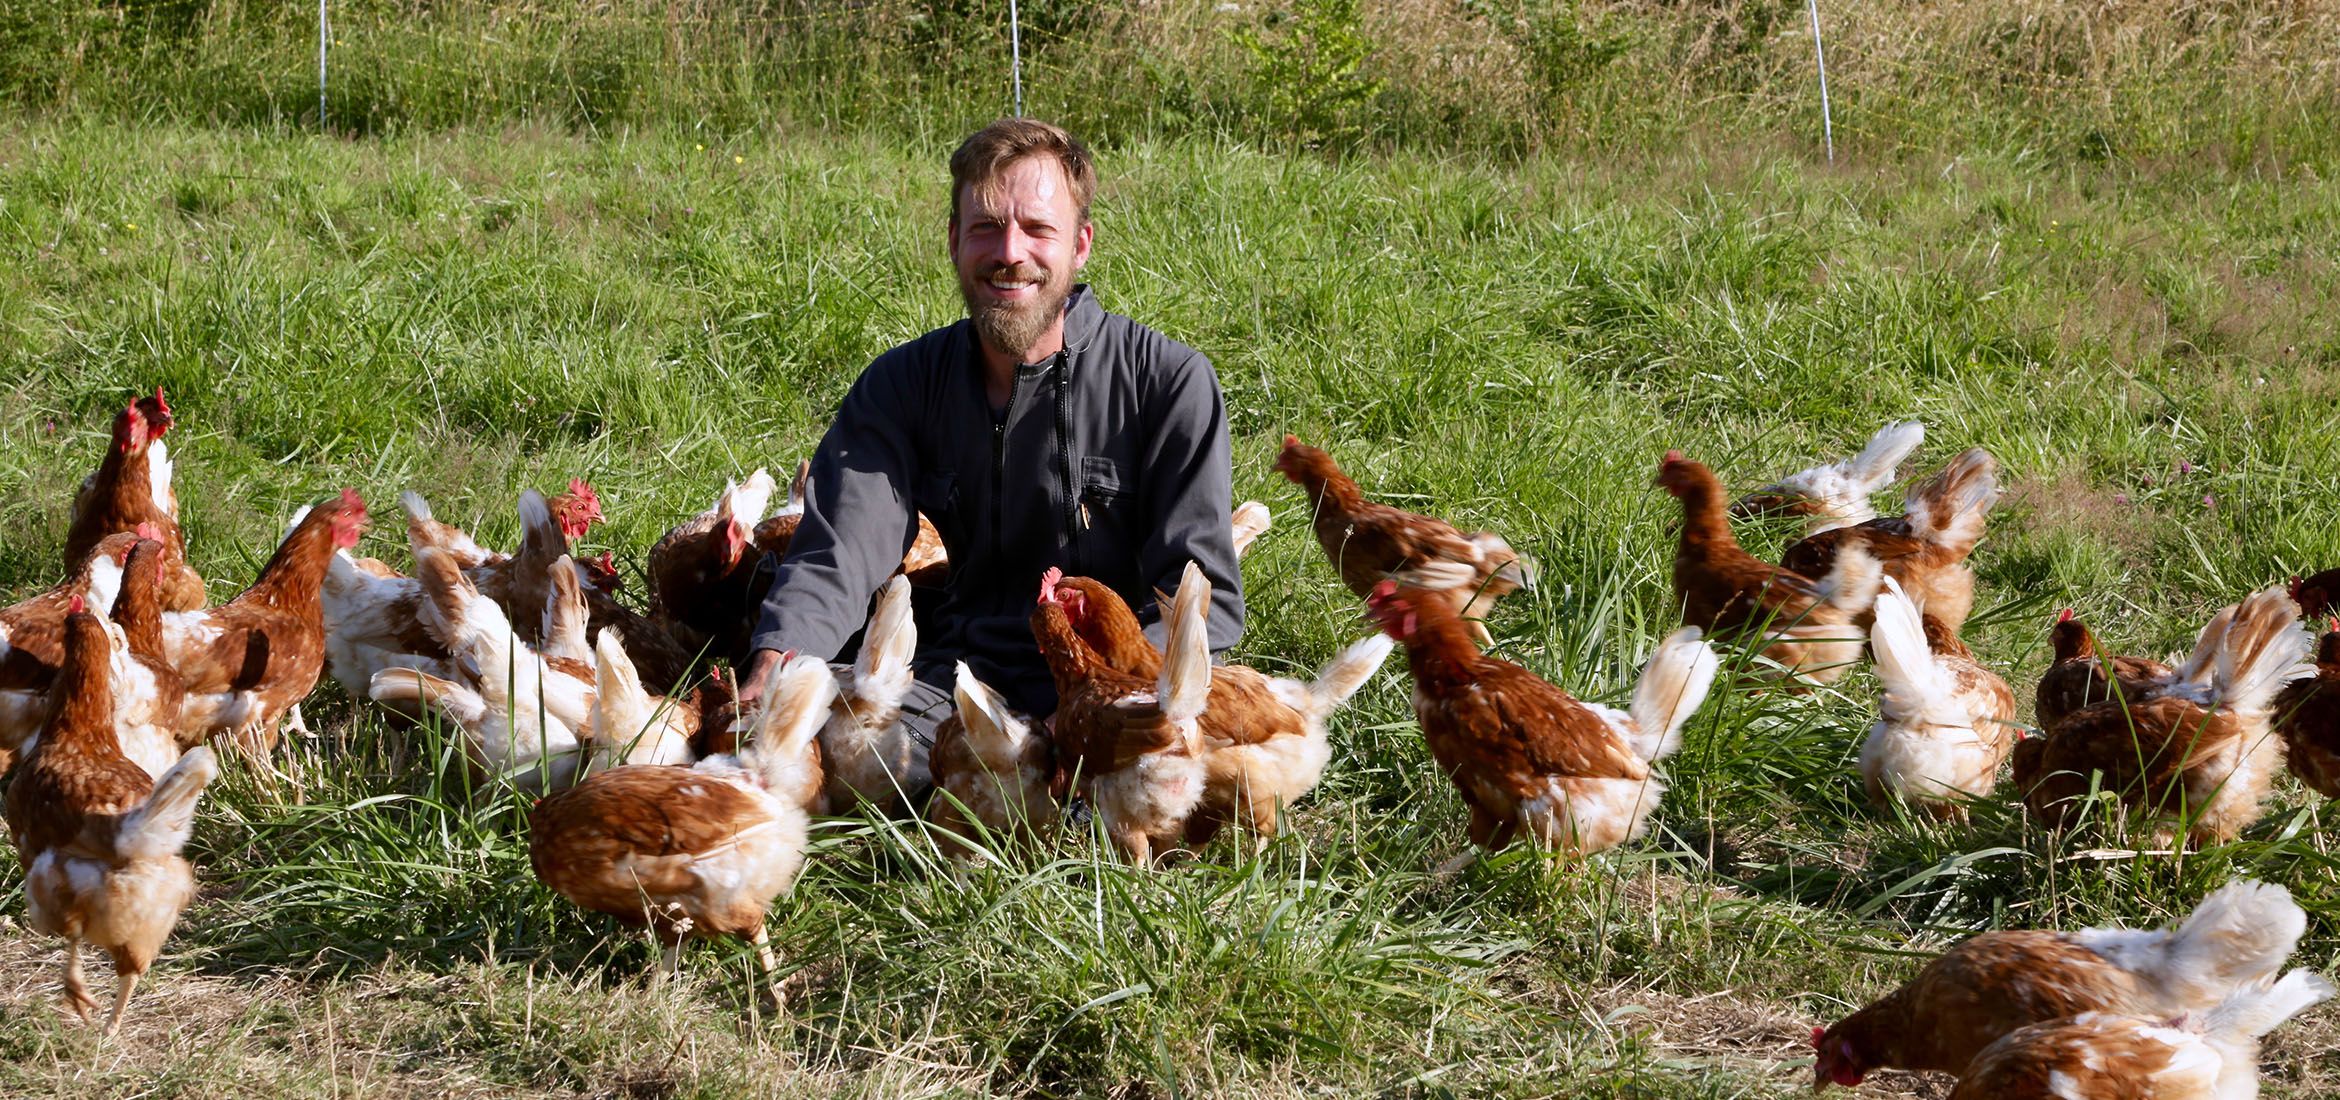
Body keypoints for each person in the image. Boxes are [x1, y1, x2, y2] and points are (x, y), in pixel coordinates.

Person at [736, 118, 1244, 799]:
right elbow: (837, 551)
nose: (1010, 253)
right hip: (952, 683)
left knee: (1138, 802)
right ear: (953, 241)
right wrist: (776, 663)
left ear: (1081, 245)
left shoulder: (1166, 382)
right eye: (985, 228)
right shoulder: (901, 386)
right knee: (846, 780)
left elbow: (1197, 597)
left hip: (1110, 699)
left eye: (1037, 228)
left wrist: (1107, 704)